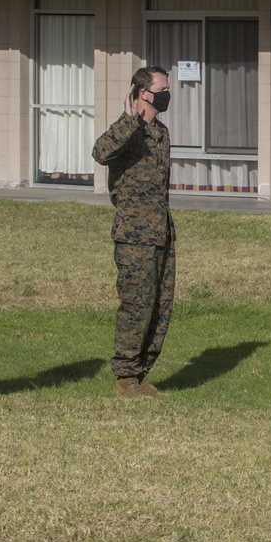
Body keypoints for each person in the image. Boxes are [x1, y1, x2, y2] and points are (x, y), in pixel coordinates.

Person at [92, 67, 176, 398]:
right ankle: (125, 377)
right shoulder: (127, 131)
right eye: (163, 88)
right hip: (134, 235)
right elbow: (99, 153)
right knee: (136, 305)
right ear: (143, 93)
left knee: (159, 306)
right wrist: (127, 122)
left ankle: (141, 374)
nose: (167, 94)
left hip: (161, 232)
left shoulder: (162, 133)